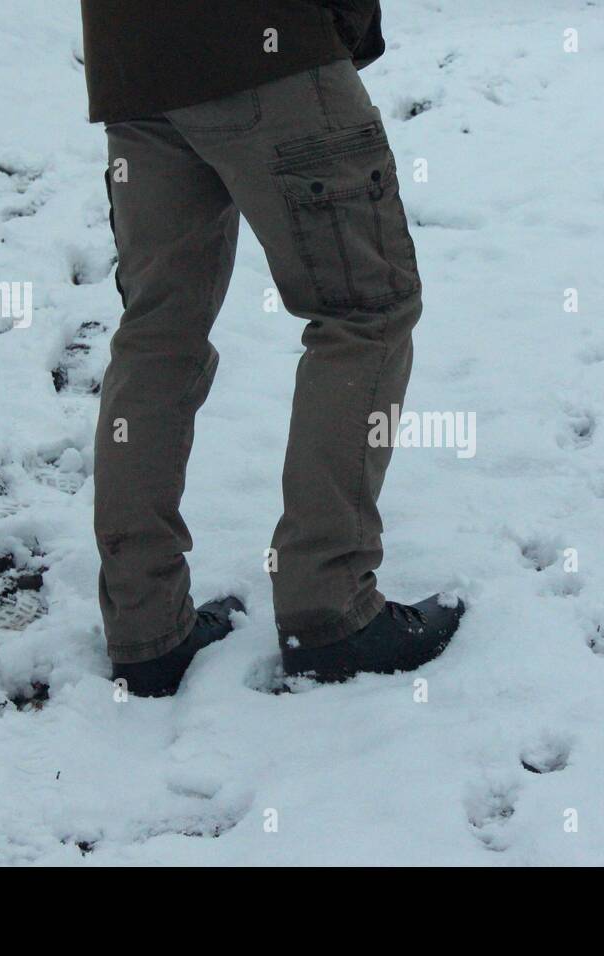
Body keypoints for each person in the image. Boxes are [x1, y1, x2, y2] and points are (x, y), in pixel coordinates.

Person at [80, 0, 464, 697]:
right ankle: (330, 603)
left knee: (157, 333)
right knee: (365, 309)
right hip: (269, 40)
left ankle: (145, 626)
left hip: (132, 61)